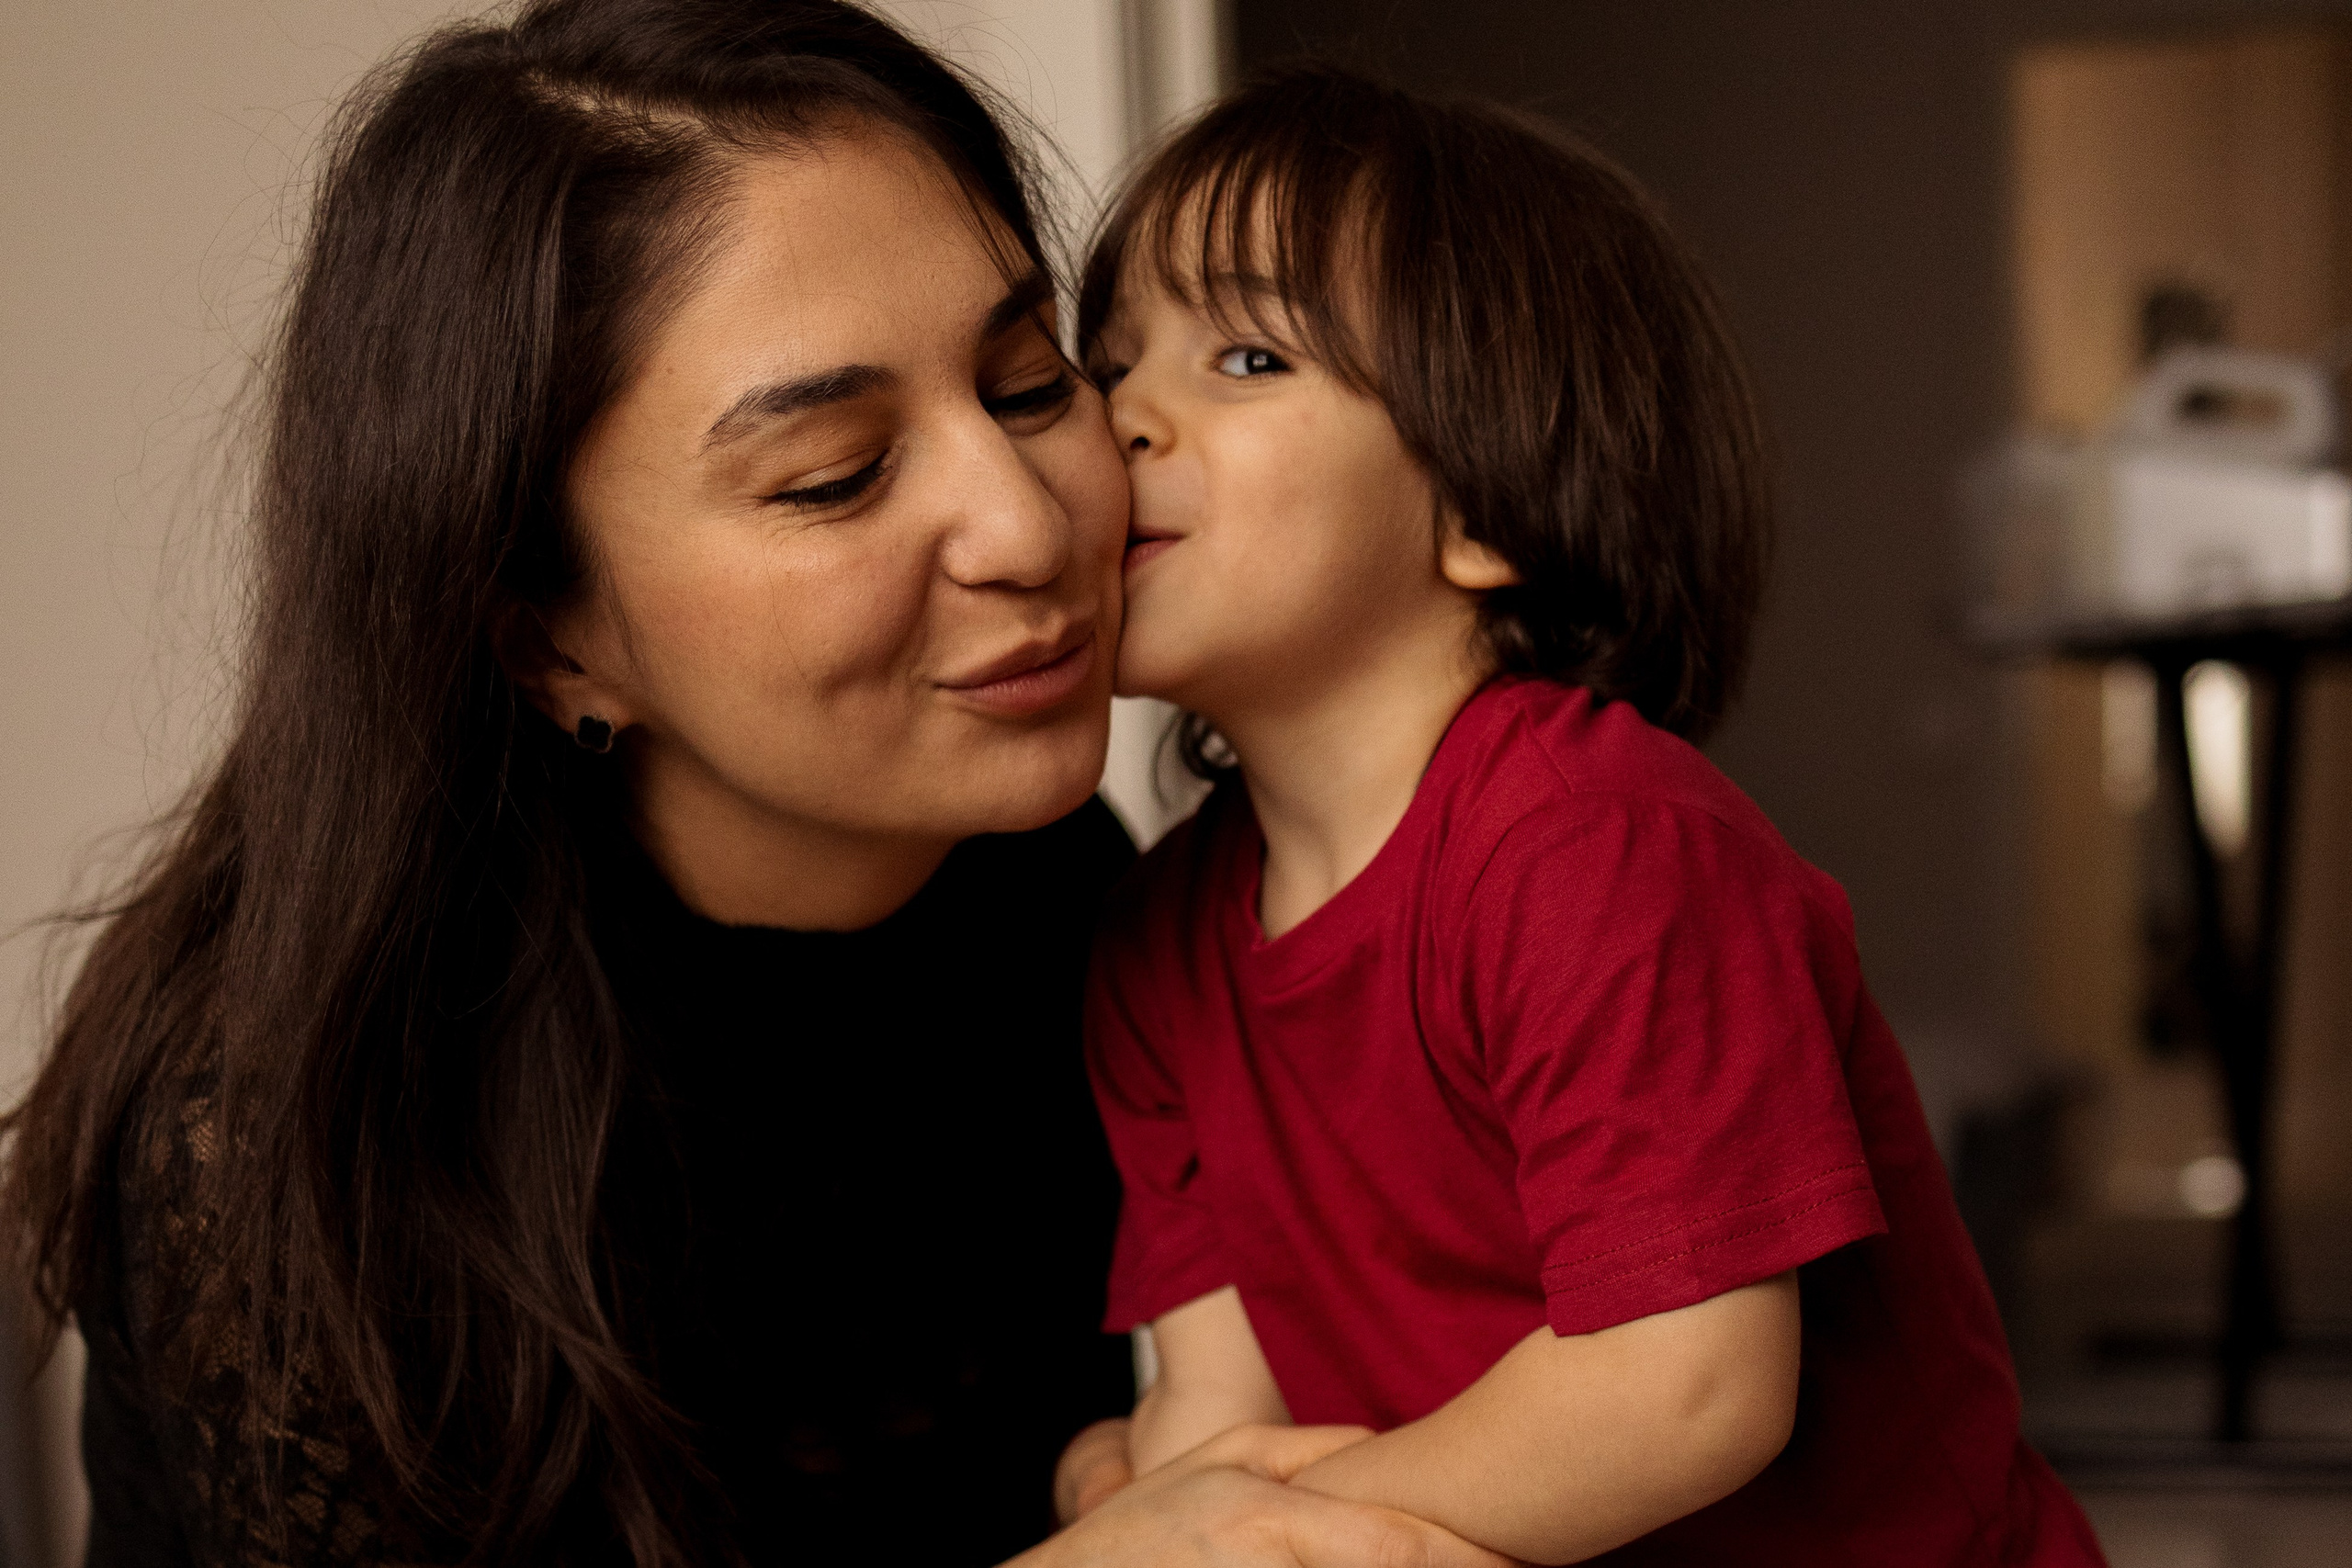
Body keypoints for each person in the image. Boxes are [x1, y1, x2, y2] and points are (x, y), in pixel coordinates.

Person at [0, 8, 1515, 1566]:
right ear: (547, 638)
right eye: (837, 475)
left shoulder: (1051, 885)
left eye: (1024, 377)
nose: (1029, 524)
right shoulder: (278, 1134)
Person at [1070, 66, 2111, 1565]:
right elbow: (1225, 1406)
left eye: (1242, 360)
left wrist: (1252, 1528)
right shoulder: (1153, 945)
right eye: (1109, 364)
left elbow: (1683, 1389)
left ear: (1484, 505)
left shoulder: (1599, 847)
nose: (1119, 424)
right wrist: (1174, 1499)